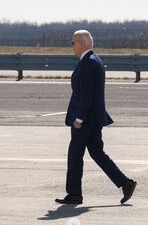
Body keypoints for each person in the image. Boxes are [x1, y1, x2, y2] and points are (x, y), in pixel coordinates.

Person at [56, 30, 137, 205]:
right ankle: (125, 183)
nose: (72, 46)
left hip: (85, 120)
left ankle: (74, 194)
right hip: (93, 118)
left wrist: (79, 119)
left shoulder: (88, 63)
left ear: (82, 43)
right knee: (97, 153)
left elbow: (86, 95)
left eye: (73, 42)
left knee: (75, 155)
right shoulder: (95, 60)